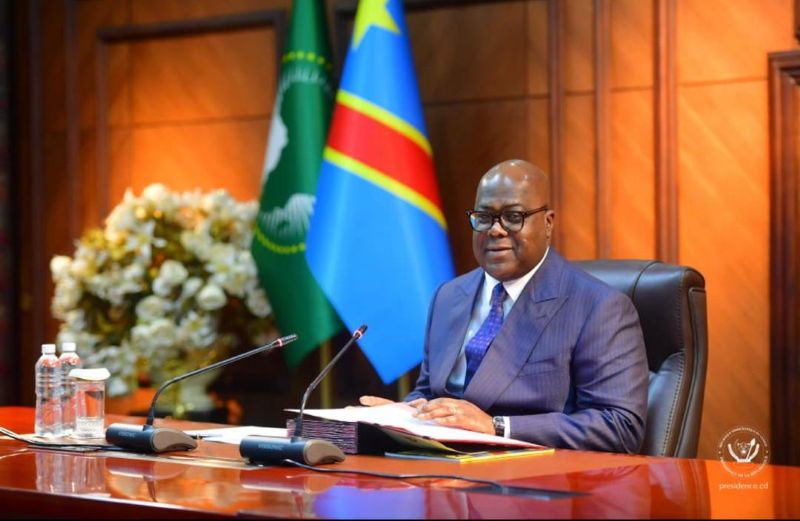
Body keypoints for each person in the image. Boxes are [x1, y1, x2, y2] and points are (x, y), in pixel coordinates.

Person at [360, 159, 648, 453]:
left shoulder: (598, 307)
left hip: (529, 471)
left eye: (513, 217)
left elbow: (619, 426)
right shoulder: (448, 296)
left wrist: (497, 426)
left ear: (547, 223)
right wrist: (403, 414)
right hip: (440, 465)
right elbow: (429, 392)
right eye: (484, 217)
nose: (495, 230)